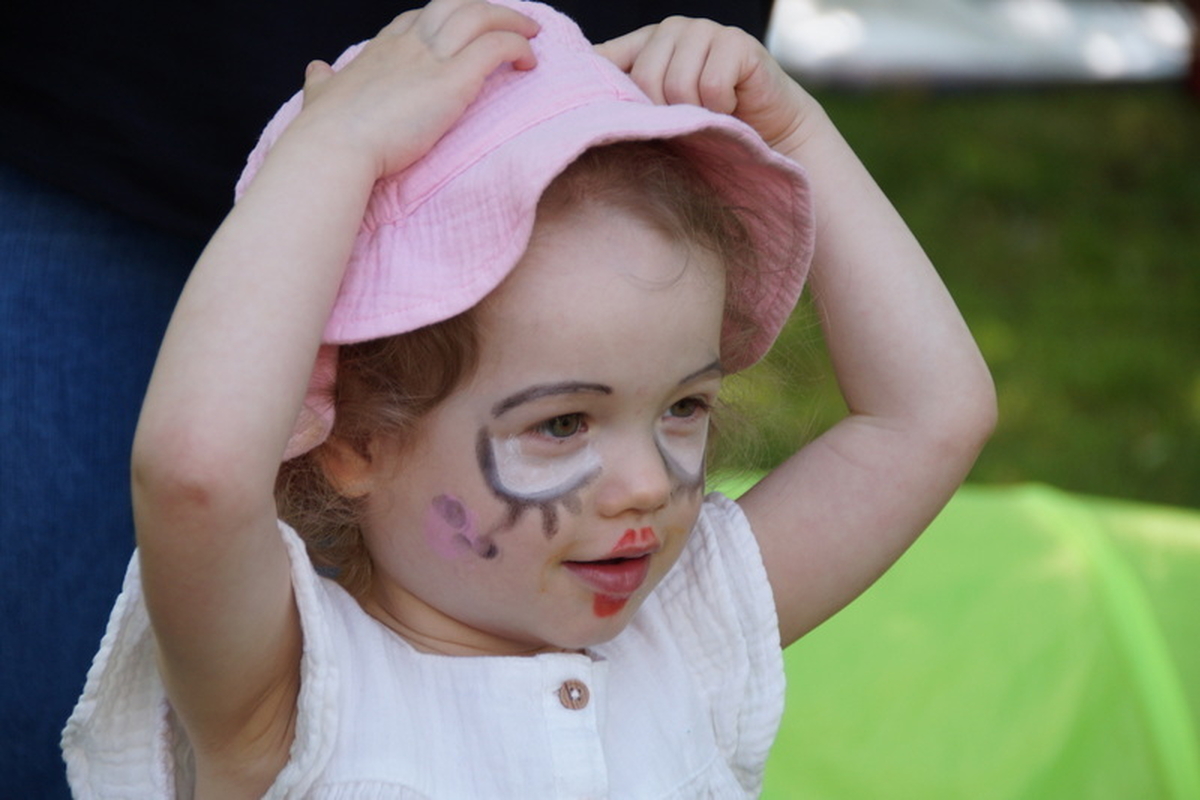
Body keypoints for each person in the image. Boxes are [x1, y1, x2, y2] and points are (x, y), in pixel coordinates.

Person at [61, 0, 996, 795]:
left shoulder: (688, 630)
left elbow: (931, 418)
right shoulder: (291, 697)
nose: (647, 484)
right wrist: (336, 147)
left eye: (683, 407)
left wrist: (795, 134)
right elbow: (195, 476)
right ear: (355, 444)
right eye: (562, 423)